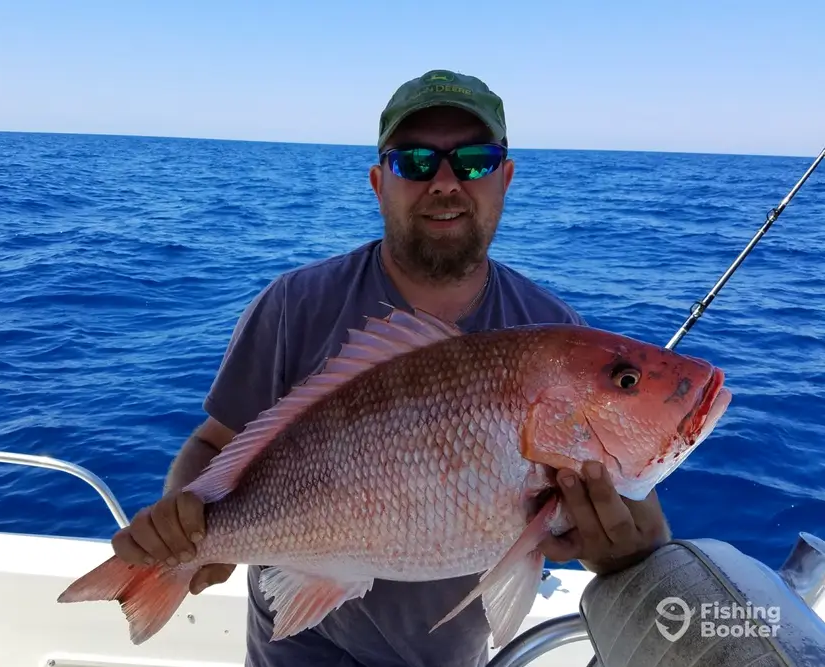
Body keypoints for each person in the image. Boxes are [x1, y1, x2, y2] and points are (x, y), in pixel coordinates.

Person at [111, 69, 672, 666]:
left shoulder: (555, 332)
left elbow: (632, 529)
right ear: (380, 183)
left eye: (475, 161)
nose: (446, 182)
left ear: (505, 179)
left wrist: (618, 549)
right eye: (415, 162)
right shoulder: (294, 305)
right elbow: (215, 444)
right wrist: (189, 528)